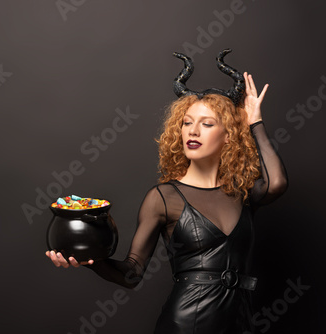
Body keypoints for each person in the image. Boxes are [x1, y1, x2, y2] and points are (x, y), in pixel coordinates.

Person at [45, 49, 288, 333]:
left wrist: (254, 122)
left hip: (239, 323)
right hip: (185, 324)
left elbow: (276, 183)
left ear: (228, 135)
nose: (192, 131)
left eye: (207, 124)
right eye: (187, 123)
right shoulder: (163, 198)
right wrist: (88, 260)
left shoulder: (242, 192)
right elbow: (132, 274)